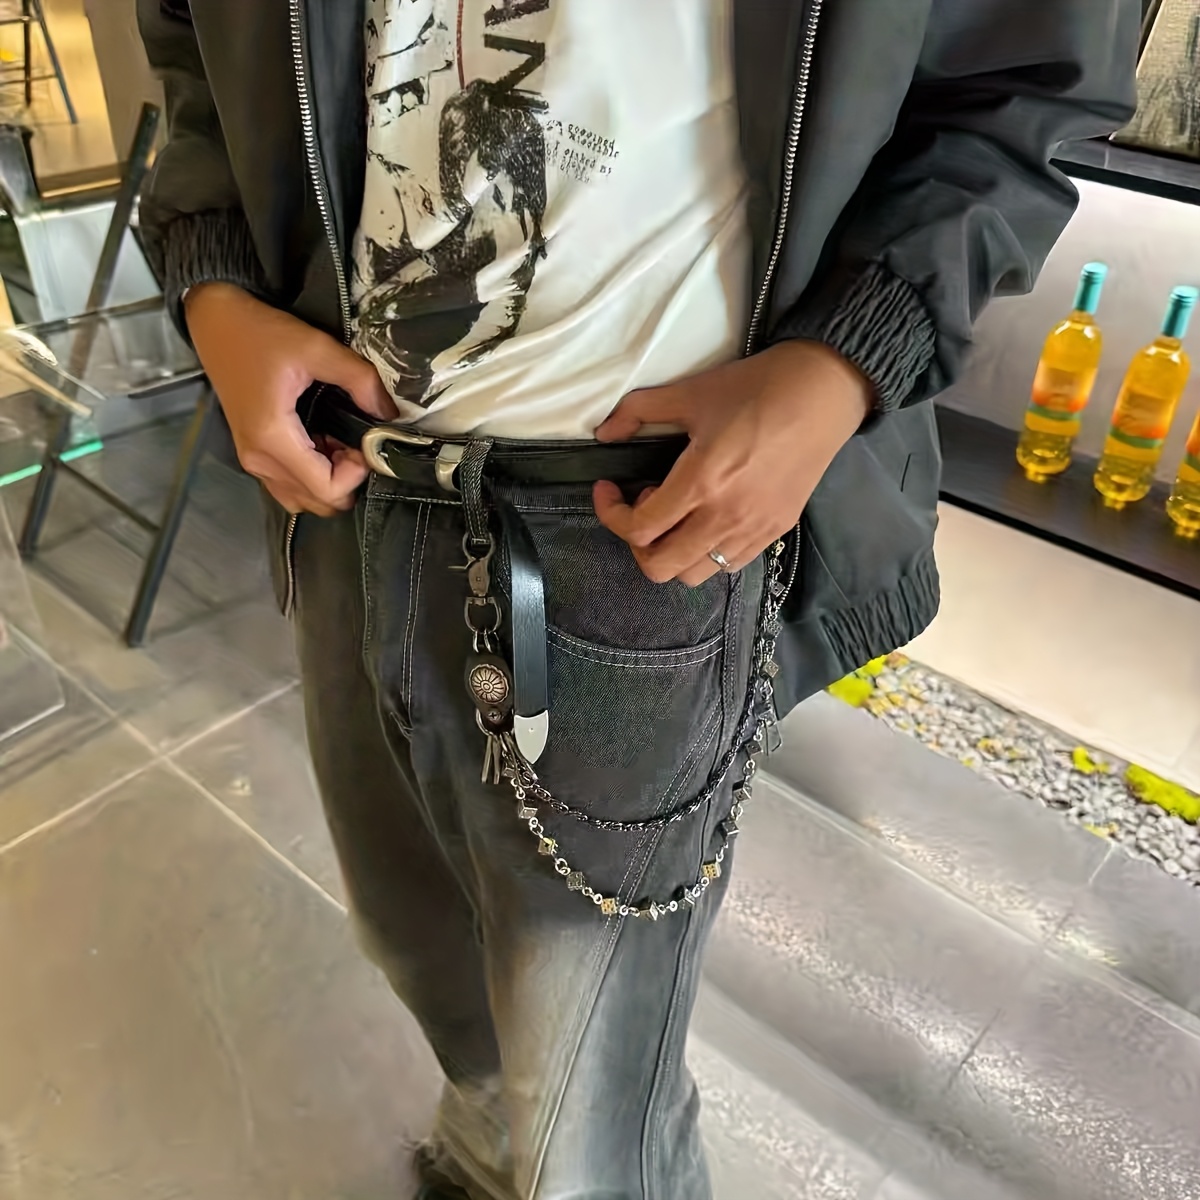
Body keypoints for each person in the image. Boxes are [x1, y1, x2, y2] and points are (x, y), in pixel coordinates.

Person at [137, 2, 1138, 1197]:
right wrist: (212, 285)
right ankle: (485, 1151)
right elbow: (192, 42)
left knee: (594, 1096)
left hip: (634, 517)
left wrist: (848, 357)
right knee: (419, 945)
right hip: (347, 477)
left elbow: (1027, 78)